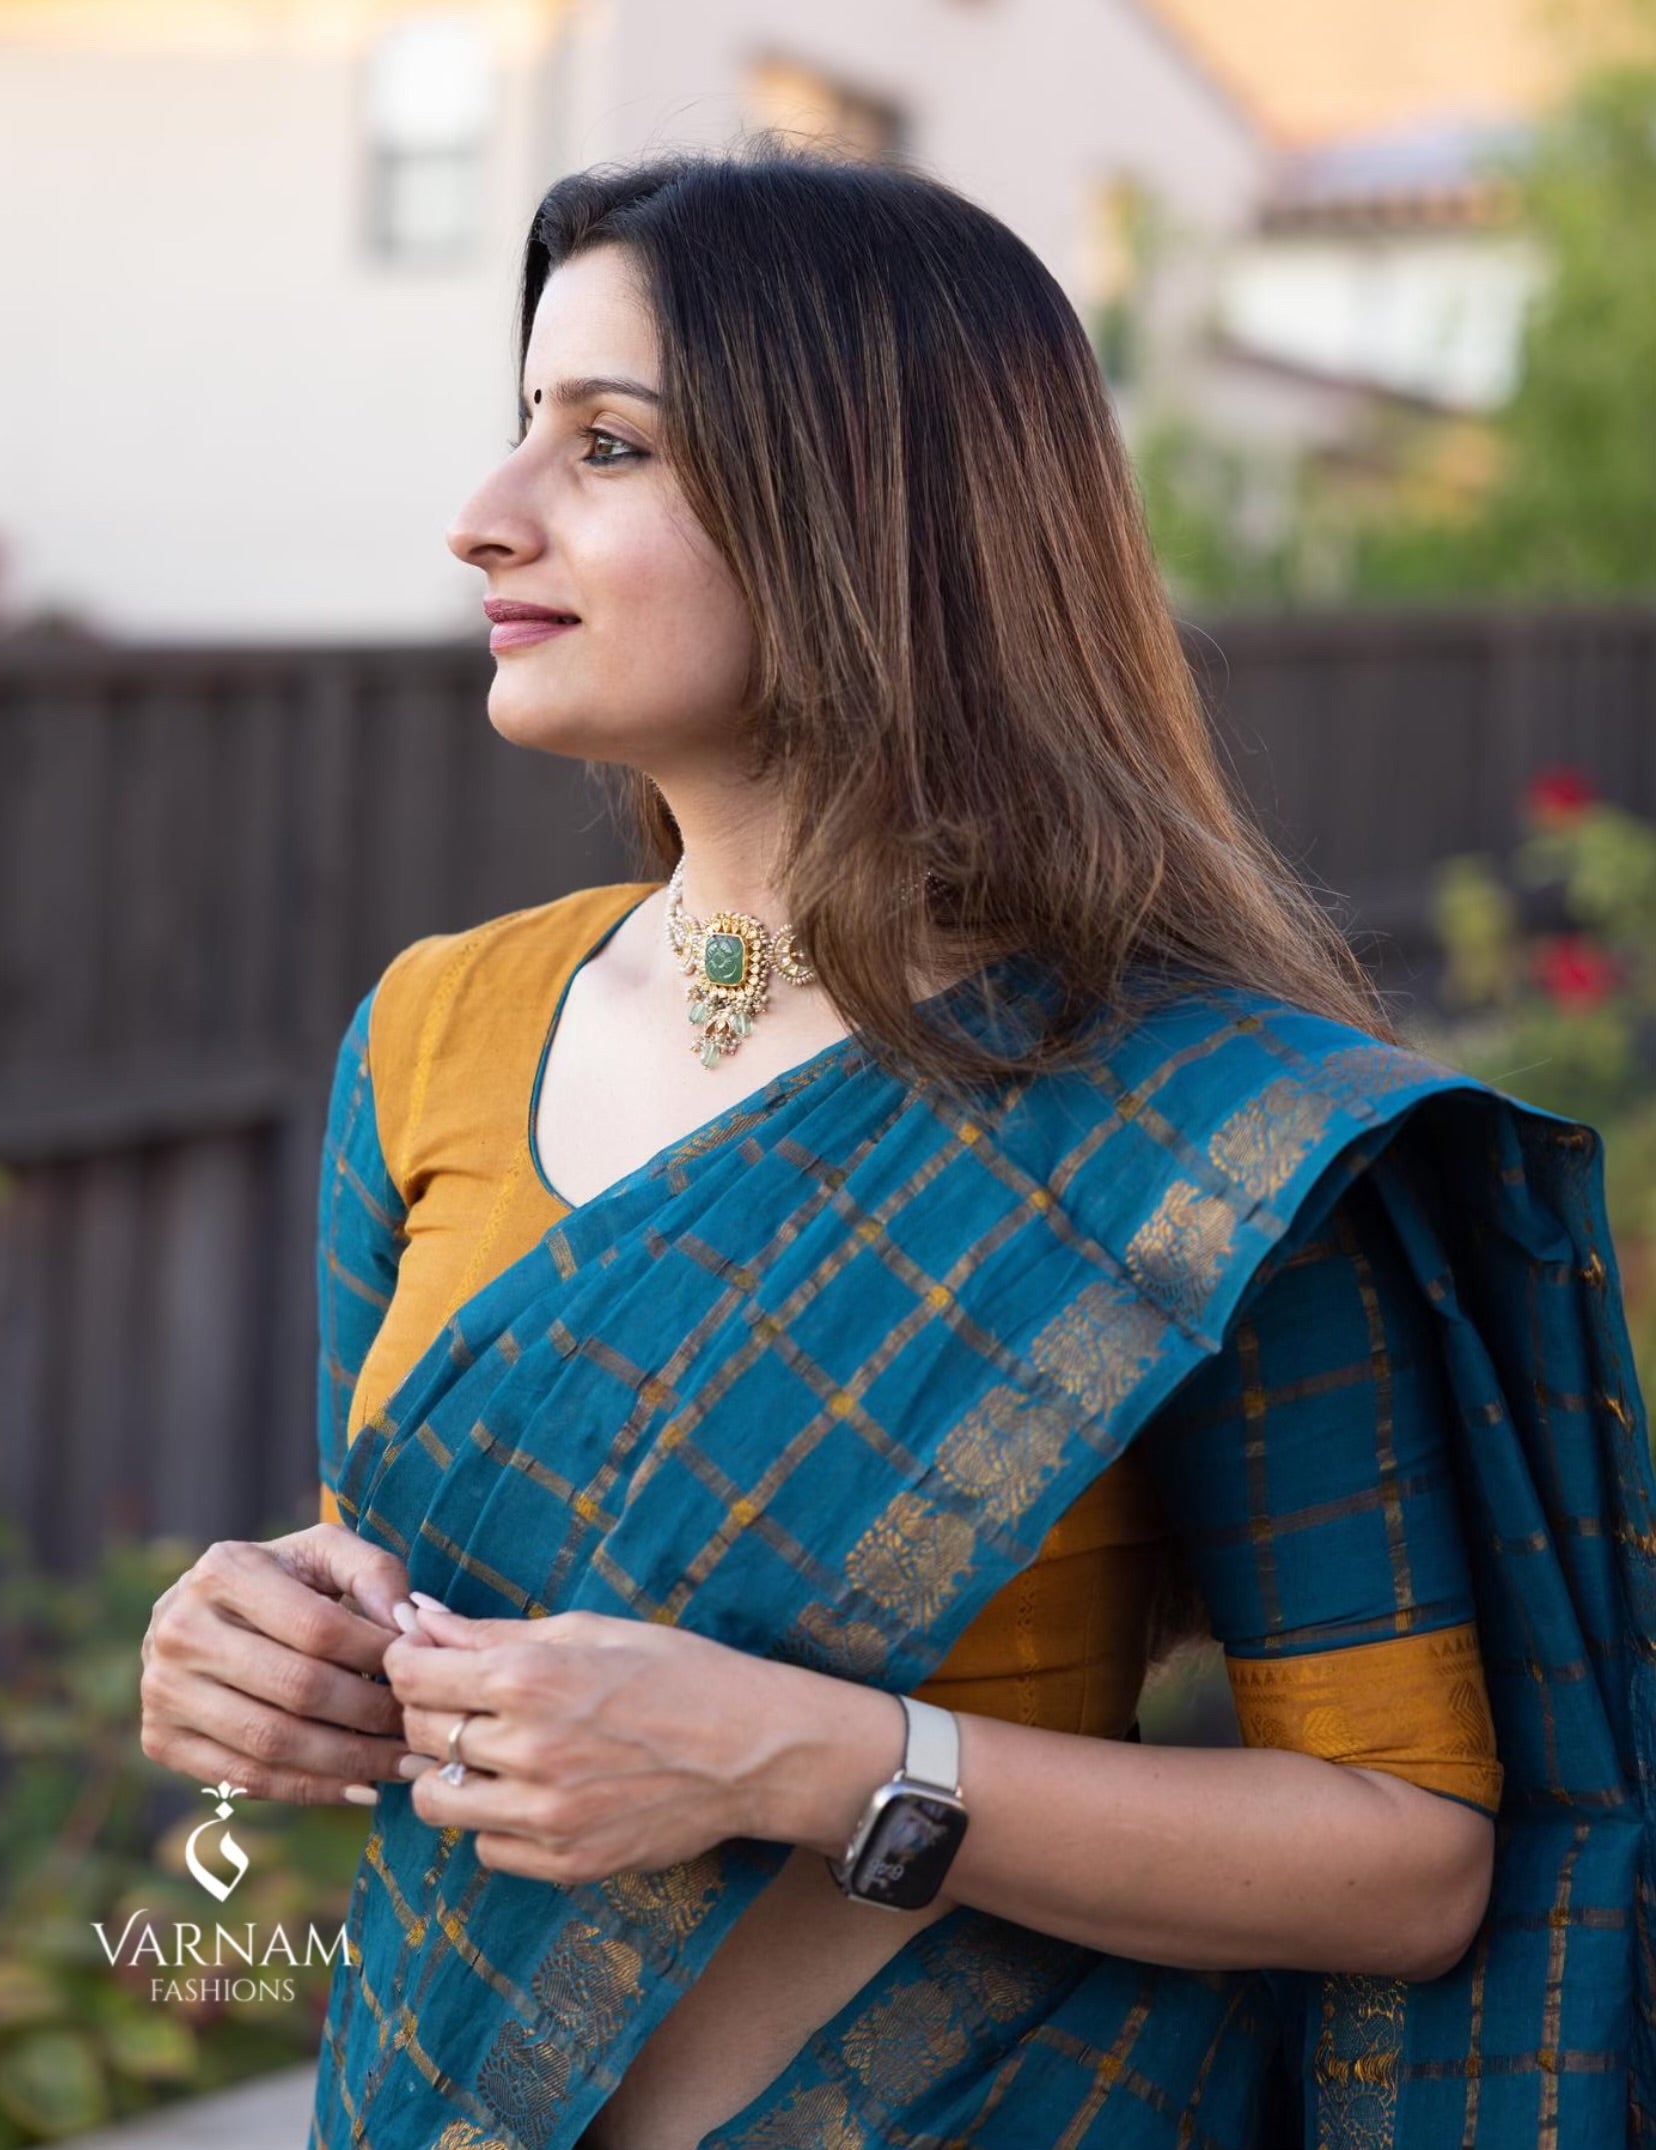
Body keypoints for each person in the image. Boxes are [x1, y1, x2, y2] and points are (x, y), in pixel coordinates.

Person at [138, 140, 1656, 2148]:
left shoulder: (1203, 1132)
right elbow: (402, 1589)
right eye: (521, 432)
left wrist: (806, 1759)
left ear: (868, 516)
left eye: (605, 448)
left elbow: (1402, 1852)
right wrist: (261, 1654)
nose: (482, 519)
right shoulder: (433, 1030)